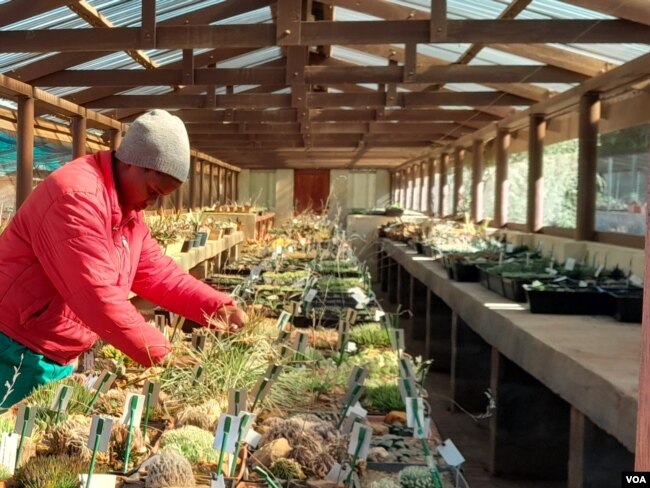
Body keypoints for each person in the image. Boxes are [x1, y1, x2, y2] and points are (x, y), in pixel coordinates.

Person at [0, 109, 247, 408]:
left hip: (52, 351)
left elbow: (158, 273)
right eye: (153, 191)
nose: (152, 202)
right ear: (132, 162)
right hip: (14, 348)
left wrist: (218, 308)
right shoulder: (76, 197)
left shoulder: (126, 211)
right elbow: (97, 295)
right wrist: (161, 352)